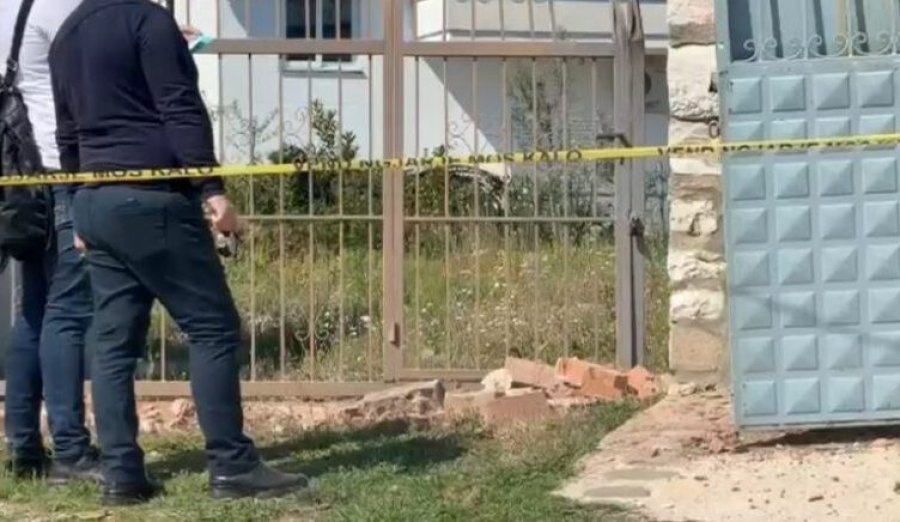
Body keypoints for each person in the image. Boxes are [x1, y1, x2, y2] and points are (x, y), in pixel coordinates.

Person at [49, 0, 312, 506]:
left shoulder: (68, 33)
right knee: (213, 327)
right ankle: (233, 465)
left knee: (114, 343)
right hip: (152, 198)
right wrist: (212, 190)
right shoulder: (147, 20)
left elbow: (66, 132)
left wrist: (79, 201)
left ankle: (122, 475)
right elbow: (178, 106)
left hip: (95, 200)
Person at [0, 0, 100, 485]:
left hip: (20, 178)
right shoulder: (61, 7)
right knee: (69, 312)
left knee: (35, 312)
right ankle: (71, 449)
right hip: (61, 171)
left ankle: (23, 446)